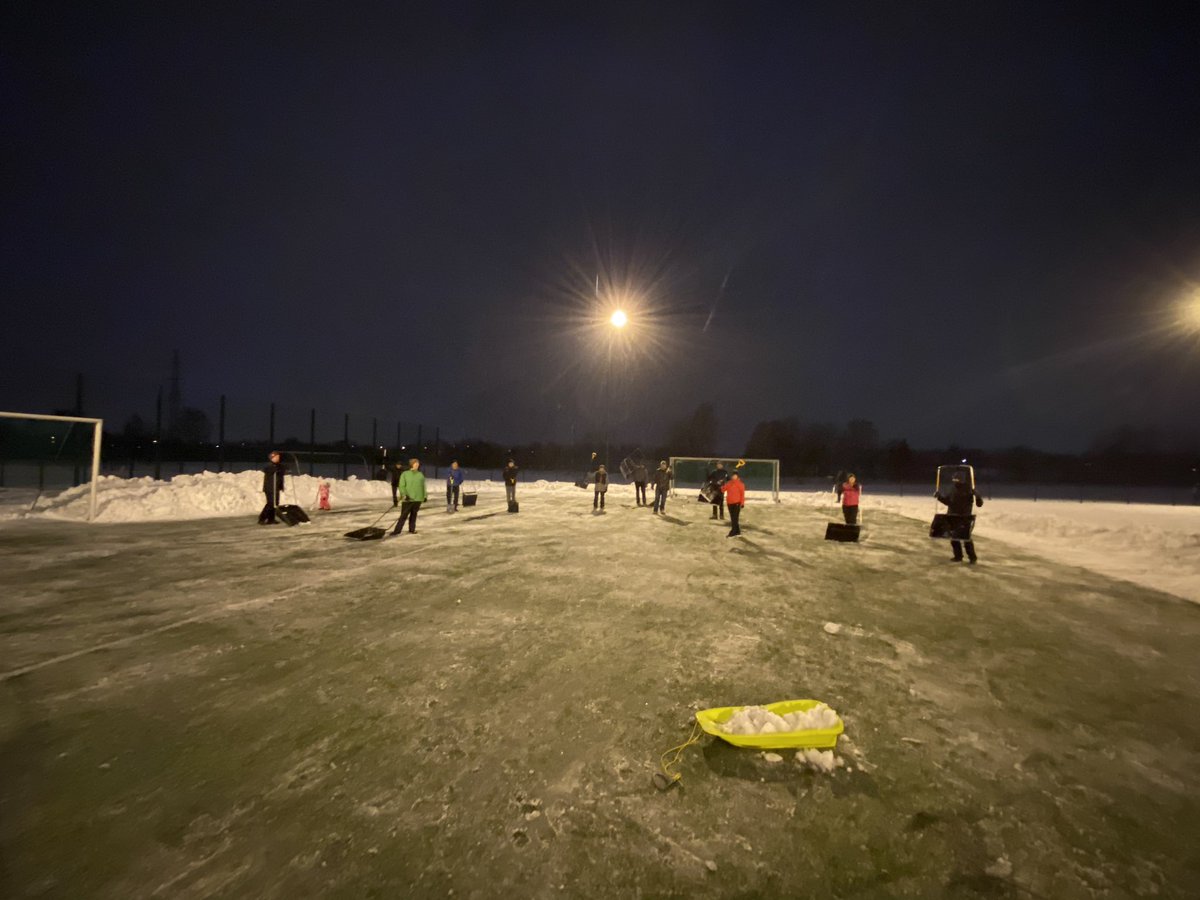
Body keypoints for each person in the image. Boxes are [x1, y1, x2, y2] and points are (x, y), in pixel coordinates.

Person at [936, 473, 984, 563]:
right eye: (954, 479)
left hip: (964, 517)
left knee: (966, 538)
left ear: (962, 479)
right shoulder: (952, 489)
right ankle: (958, 556)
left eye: (957, 479)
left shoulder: (969, 489)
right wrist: (939, 497)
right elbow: (948, 502)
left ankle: (972, 558)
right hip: (952, 515)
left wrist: (978, 496)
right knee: (954, 538)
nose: (955, 481)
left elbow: (979, 504)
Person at [392, 458, 427, 535]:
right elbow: (401, 486)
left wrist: (425, 496)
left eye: (418, 464)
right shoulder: (405, 474)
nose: (417, 465)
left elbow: (423, 486)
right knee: (403, 516)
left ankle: (412, 529)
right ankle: (397, 531)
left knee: (414, 515)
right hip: (408, 498)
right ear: (411, 464)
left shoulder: (420, 474)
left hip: (418, 499)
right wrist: (404, 495)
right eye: (415, 463)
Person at [257, 450, 286, 525]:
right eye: (276, 457)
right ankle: (262, 518)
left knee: (275, 504)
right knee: (270, 503)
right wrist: (276, 469)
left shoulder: (279, 466)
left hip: (276, 487)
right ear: (272, 458)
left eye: (278, 457)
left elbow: (282, 471)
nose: (278, 458)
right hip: (270, 488)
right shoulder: (269, 466)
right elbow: (267, 469)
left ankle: (271, 519)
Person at [721, 470, 745, 537]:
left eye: (735, 475)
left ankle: (733, 532)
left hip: (737, 503)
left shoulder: (740, 484)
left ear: (737, 476)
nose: (734, 476)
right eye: (733, 475)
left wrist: (742, 503)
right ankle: (737, 531)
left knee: (735, 518)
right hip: (729, 503)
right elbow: (723, 490)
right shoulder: (729, 483)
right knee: (733, 518)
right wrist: (722, 484)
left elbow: (742, 494)